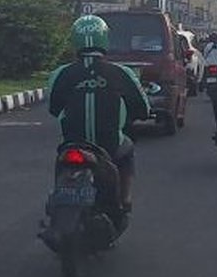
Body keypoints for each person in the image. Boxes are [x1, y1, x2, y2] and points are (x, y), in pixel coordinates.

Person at [47, 15, 150, 220]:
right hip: (109, 146)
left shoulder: (61, 73)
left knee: (61, 161)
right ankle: (124, 199)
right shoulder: (121, 73)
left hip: (73, 145)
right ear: (104, 39)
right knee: (127, 150)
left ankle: (58, 197)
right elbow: (142, 108)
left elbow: (54, 109)